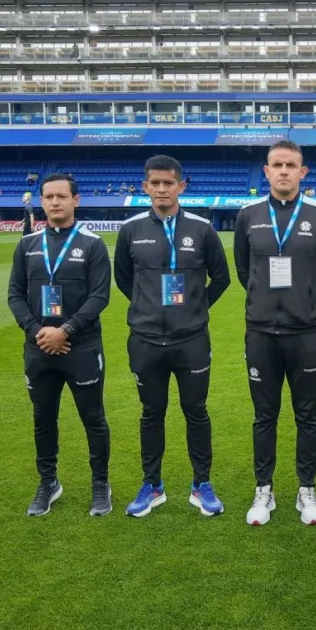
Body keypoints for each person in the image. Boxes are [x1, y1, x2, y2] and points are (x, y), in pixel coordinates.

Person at [115, 155, 231, 519]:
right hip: (146, 340)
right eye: (155, 183)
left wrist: (194, 309)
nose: (162, 189)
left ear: (182, 186)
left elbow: (222, 278)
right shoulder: (131, 230)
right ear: (145, 186)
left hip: (191, 340)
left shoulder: (202, 229)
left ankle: (202, 484)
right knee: (152, 413)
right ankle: (152, 485)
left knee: (196, 411)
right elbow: (124, 280)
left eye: (169, 183)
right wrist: (149, 309)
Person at [234, 139, 316, 526]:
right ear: (266, 171)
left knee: (307, 415)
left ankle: (306, 489)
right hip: (261, 333)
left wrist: (306, 300)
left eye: (290, 165)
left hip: (305, 333)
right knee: (265, 415)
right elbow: (244, 271)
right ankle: (264, 489)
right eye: (276, 164)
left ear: (303, 171)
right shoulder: (248, 215)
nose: (283, 171)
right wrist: (266, 302)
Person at [7, 173, 113, 518]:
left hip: (81, 347)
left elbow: (99, 297)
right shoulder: (27, 244)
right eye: (48, 196)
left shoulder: (93, 244)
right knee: (43, 419)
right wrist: (39, 331)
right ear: (41, 201)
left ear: (75, 200)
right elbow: (15, 295)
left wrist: (65, 330)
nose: (54, 202)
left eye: (61, 196)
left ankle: (100, 484)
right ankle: (48, 483)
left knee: (93, 419)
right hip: (39, 349)